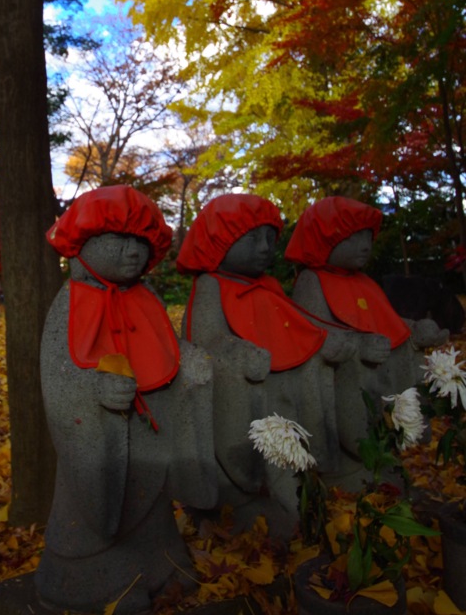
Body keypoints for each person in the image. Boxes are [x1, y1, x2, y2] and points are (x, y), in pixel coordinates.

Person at [36, 184, 216, 615]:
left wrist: (190, 362)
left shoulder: (145, 298)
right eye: (119, 240)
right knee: (94, 520)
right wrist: (94, 392)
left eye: (140, 241)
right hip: (103, 444)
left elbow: (165, 350)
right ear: (85, 244)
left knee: (154, 512)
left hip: (151, 434)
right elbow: (58, 377)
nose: (132, 252)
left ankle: (160, 568)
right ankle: (93, 582)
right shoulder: (68, 305)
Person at [177, 194, 348, 524]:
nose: (265, 247)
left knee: (290, 446)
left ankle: (300, 487)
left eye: (270, 238)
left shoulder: (268, 285)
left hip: (283, 385)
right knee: (260, 446)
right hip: (246, 390)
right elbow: (207, 339)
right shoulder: (211, 286)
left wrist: (327, 342)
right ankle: (248, 493)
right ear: (220, 241)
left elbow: (300, 326)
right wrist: (238, 352)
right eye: (253, 237)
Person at [285, 196, 447, 457]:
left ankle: (407, 424)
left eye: (368, 238)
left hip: (382, 372)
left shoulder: (364, 281)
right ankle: (363, 446)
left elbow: (385, 321)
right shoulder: (311, 281)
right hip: (347, 376)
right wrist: (358, 345)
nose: (365, 247)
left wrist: (414, 330)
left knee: (403, 350)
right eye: (354, 238)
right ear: (326, 239)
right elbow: (311, 332)